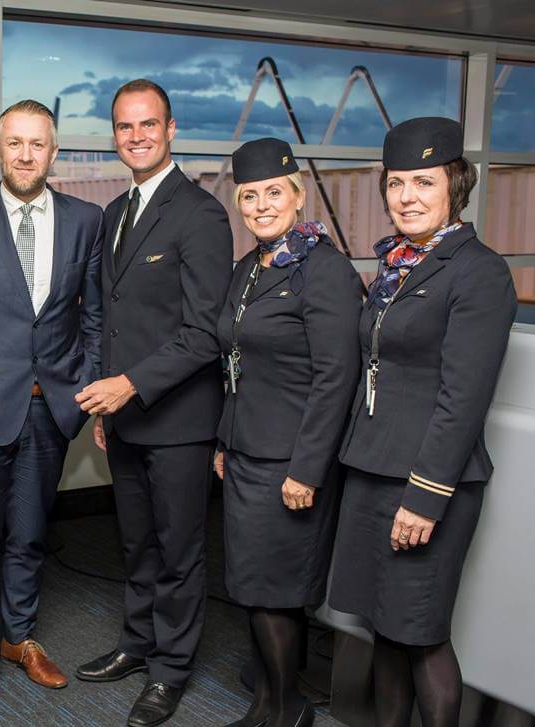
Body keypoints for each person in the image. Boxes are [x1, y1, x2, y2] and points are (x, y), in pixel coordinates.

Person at [329, 117, 517, 727]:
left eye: (424, 182)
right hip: (373, 468)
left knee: (422, 634)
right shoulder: (398, 266)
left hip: (426, 482)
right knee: (384, 628)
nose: (407, 197)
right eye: (396, 183)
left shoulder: (478, 271)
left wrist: (426, 497)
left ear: (455, 185)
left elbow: (464, 399)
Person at [0, 100, 103, 725]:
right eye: (14, 143)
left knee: (31, 537)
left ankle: (19, 636)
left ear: (53, 153)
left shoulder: (86, 220)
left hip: (51, 412)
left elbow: (93, 319)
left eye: (38, 144)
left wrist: (80, 394)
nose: (26, 154)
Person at [74, 79, 233, 727]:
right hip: (127, 419)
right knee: (135, 542)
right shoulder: (116, 213)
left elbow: (206, 330)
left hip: (180, 420)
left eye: (148, 124)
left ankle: (171, 669)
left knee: (178, 549)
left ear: (171, 130)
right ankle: (139, 643)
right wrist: (111, 407)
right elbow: (113, 319)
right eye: (124, 126)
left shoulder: (201, 213)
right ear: (115, 135)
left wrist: (130, 385)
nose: (135, 136)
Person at [214, 138, 362, 727]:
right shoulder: (250, 268)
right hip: (248, 451)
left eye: (273, 193)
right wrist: (226, 439)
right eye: (248, 196)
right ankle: (272, 699)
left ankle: (282, 708)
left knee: (272, 589)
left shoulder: (324, 270)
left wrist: (307, 467)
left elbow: (336, 377)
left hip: (289, 460)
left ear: (298, 196)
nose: (260, 206)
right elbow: (235, 364)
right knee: (253, 585)